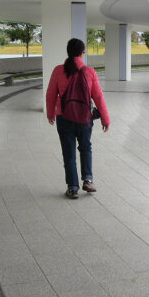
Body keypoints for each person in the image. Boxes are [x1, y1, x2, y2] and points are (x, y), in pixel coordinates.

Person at [46, 38, 110, 199]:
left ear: (68, 52)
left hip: (64, 118)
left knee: (68, 153)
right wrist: (105, 118)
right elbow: (98, 97)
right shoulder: (89, 71)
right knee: (86, 148)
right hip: (84, 119)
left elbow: (50, 95)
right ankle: (88, 180)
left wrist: (50, 113)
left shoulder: (58, 70)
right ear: (82, 53)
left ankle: (72, 187)